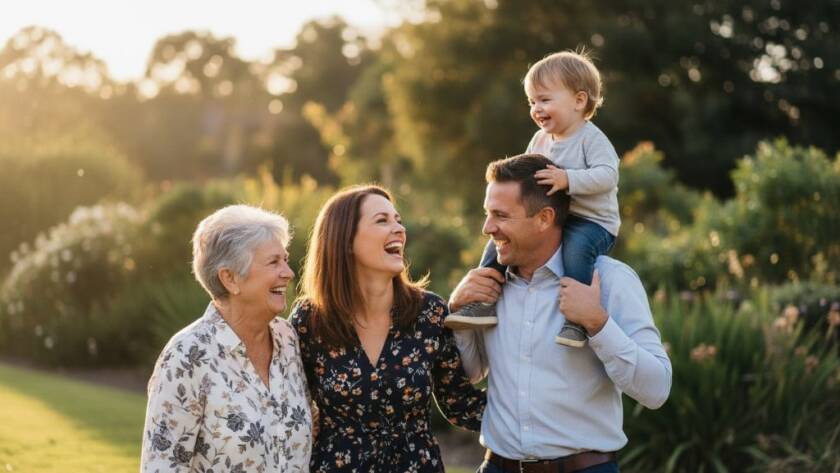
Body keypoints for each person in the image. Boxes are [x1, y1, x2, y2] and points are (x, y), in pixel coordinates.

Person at [450, 154, 671, 473]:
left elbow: (657, 390)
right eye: (487, 214)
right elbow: (471, 373)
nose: (487, 228)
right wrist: (459, 314)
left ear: (544, 218)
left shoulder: (610, 281)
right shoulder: (487, 286)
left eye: (500, 215)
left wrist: (597, 323)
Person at [289, 185, 485, 472]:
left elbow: (461, 405)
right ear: (344, 240)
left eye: (398, 220)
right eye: (382, 221)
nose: (398, 229)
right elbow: (290, 408)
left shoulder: (429, 313)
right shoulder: (310, 320)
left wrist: (545, 404)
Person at [445, 50, 621, 348]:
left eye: (545, 100)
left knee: (576, 253)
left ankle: (576, 321)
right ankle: (483, 301)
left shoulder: (591, 138)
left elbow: (608, 176)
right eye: (532, 102)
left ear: (579, 101)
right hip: (553, 217)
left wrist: (568, 179)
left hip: (591, 221)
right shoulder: (540, 140)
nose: (536, 108)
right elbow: (523, 175)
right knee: (496, 245)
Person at [141, 205, 312, 472]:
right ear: (230, 278)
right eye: (273, 262)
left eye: (285, 259)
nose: (289, 272)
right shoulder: (186, 356)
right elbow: (162, 465)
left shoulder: (289, 339)